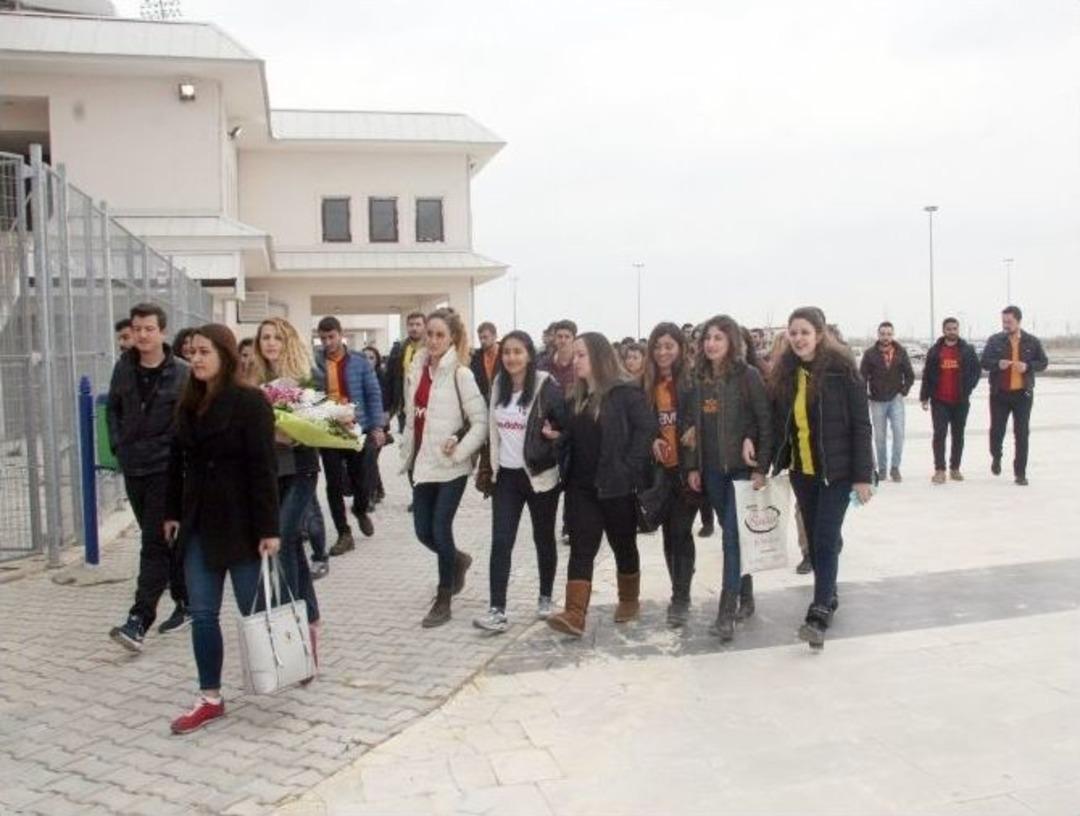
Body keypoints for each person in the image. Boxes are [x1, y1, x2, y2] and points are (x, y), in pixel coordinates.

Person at [164, 324, 280, 734]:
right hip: (199, 525)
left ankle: (283, 663)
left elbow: (264, 469)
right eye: (191, 352)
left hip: (243, 526)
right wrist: (172, 512)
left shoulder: (251, 403)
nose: (194, 359)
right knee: (202, 614)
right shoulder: (188, 403)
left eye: (203, 352)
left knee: (254, 611)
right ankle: (209, 697)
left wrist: (270, 528)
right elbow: (176, 463)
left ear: (225, 355)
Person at [769, 307, 874, 649]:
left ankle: (819, 611)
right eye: (793, 332)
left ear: (819, 333)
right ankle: (829, 592)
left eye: (804, 332)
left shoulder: (843, 372)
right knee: (815, 541)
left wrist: (863, 476)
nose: (798, 338)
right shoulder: (786, 373)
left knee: (826, 538)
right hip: (804, 472)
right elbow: (779, 423)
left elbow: (861, 425)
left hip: (838, 474)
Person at [546, 332, 657, 638]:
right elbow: (574, 436)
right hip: (581, 488)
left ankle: (629, 599)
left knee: (623, 544)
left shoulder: (625, 393)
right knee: (582, 547)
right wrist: (558, 439)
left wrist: (630, 468)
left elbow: (646, 429)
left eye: (582, 355)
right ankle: (575, 614)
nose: (576, 360)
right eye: (575, 355)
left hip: (616, 486)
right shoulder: (576, 397)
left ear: (598, 357)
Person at [681, 315, 772, 641]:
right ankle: (745, 595)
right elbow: (691, 428)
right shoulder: (698, 379)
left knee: (732, 537)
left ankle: (726, 611)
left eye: (718, 338)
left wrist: (761, 466)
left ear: (731, 341)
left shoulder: (747, 376)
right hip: (713, 473)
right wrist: (693, 466)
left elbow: (764, 420)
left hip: (742, 470)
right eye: (707, 338)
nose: (711, 343)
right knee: (732, 535)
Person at [107, 303, 190, 652]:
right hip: (134, 466)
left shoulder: (181, 372)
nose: (141, 335)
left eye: (148, 329)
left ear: (162, 332)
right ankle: (186, 601)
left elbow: (188, 420)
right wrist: (118, 446)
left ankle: (139, 620)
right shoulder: (123, 368)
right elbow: (114, 409)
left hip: (165, 470)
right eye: (137, 329)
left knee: (153, 544)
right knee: (160, 540)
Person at [473, 331, 567, 633]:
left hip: (539, 477)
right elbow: (491, 430)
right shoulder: (498, 385)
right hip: (507, 478)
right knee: (501, 541)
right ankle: (497, 610)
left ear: (529, 354)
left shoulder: (546, 386)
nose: (511, 358)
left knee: (543, 538)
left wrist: (555, 438)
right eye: (507, 352)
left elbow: (565, 429)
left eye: (518, 352)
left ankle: (545, 597)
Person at [400, 308, 488, 627]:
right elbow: (412, 417)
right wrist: (406, 451)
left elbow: (480, 421)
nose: (434, 340)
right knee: (423, 531)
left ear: (452, 338)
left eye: (440, 335)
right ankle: (458, 560)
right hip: (422, 463)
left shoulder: (460, 374)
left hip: (451, 466)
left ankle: (444, 597)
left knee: (440, 528)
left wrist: (459, 449)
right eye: (430, 334)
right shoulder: (417, 368)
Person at [252, 318, 322, 642]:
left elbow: (324, 421)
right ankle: (310, 619)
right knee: (291, 543)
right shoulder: (254, 381)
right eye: (265, 337)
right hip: (270, 473)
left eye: (277, 337)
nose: (270, 343)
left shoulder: (307, 377)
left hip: (301, 469)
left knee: (282, 540)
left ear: (288, 341)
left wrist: (293, 430)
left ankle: (292, 626)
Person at [312, 316, 386, 558]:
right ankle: (344, 533)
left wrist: (377, 427)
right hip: (329, 431)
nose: (327, 342)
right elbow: (309, 395)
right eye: (323, 338)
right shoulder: (315, 363)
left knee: (362, 479)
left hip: (358, 428)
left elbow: (373, 393)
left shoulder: (359, 361)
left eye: (331, 337)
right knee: (333, 483)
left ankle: (360, 508)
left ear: (340, 335)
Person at [643, 322, 698, 627]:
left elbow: (701, 418)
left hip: (686, 471)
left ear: (680, 348)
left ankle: (681, 597)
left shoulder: (692, 382)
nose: (663, 352)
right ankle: (679, 583)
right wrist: (652, 437)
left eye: (669, 346)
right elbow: (640, 422)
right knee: (668, 534)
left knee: (681, 531)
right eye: (658, 346)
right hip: (659, 472)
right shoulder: (646, 384)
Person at [980, 305, 1049, 485]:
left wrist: (1028, 367)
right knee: (997, 431)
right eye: (1003, 321)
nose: (1006, 325)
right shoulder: (995, 340)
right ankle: (996, 456)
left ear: (1018, 321)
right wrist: (997, 364)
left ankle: (1020, 473)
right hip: (999, 394)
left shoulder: (1032, 341)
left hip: (1022, 395)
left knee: (1022, 433)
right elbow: (985, 362)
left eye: (1009, 322)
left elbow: (1043, 362)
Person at [920, 317, 982, 483]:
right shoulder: (935, 351)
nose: (952, 331)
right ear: (944, 330)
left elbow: (977, 371)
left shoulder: (967, 350)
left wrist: (969, 388)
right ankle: (939, 470)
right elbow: (927, 374)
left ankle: (955, 468)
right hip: (939, 400)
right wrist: (924, 396)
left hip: (960, 400)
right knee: (939, 434)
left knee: (958, 435)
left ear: (958, 330)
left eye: (954, 328)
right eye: (949, 329)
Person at [859, 321, 914, 482]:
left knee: (899, 434)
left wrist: (903, 391)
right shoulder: (870, 354)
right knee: (879, 437)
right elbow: (862, 378)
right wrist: (864, 396)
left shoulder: (901, 352)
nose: (886, 337)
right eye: (883, 334)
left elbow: (909, 375)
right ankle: (882, 469)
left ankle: (895, 468)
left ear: (893, 335)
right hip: (876, 401)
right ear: (878, 335)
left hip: (895, 400)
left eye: (889, 334)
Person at [388, 311, 426, 434]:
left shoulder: (431, 349)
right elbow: (391, 378)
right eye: (411, 324)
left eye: (418, 324)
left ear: (425, 326)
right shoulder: (399, 349)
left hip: (426, 407)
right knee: (406, 447)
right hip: (405, 408)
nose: (414, 328)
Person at [538, 319, 577, 397]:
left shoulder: (579, 365)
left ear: (574, 339)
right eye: (560, 336)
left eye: (567, 337)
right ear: (555, 339)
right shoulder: (543, 365)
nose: (563, 340)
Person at [469, 321, 500, 402]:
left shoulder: (505, 354)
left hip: (502, 400)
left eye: (485, 337)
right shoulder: (475, 357)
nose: (482, 341)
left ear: (495, 336)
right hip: (483, 402)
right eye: (480, 338)